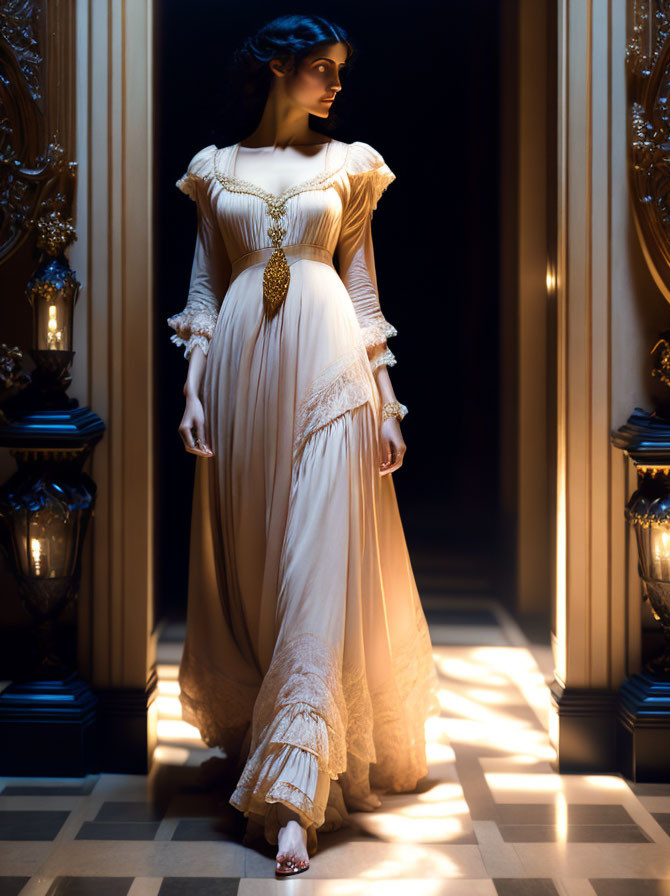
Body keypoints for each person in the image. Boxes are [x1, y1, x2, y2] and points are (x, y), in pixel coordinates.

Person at [166, 13, 440, 878]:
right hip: (243, 381)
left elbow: (361, 292)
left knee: (316, 559)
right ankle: (264, 740)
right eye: (321, 68)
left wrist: (388, 401)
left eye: (340, 71)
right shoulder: (217, 170)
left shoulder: (350, 164)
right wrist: (191, 388)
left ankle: (292, 796)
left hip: (330, 378)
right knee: (258, 568)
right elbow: (206, 286)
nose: (335, 84)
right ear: (277, 68)